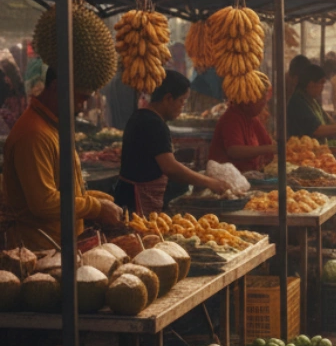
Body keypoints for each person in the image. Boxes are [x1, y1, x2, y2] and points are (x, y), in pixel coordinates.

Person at [3, 69, 123, 250]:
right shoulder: (34, 134)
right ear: (57, 87)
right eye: (81, 98)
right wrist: (95, 208)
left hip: (61, 245)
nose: (82, 107)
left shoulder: (52, 127)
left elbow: (60, 189)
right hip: (40, 249)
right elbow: (43, 203)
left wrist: (92, 199)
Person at [114, 71, 231, 214]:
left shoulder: (141, 116)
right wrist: (209, 182)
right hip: (136, 201)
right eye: (182, 101)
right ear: (168, 98)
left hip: (128, 195)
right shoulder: (154, 123)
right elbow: (170, 168)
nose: (182, 107)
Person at [287, 64, 336, 143]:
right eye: (321, 82)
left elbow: (330, 122)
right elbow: (317, 130)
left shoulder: (312, 100)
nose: (323, 87)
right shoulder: (298, 102)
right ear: (311, 84)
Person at [210, 88, 275, 172]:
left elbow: (267, 143)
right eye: (261, 99)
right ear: (247, 101)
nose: (264, 104)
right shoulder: (232, 117)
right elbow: (234, 151)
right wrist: (268, 149)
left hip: (247, 175)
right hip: (225, 177)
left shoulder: (252, 117)